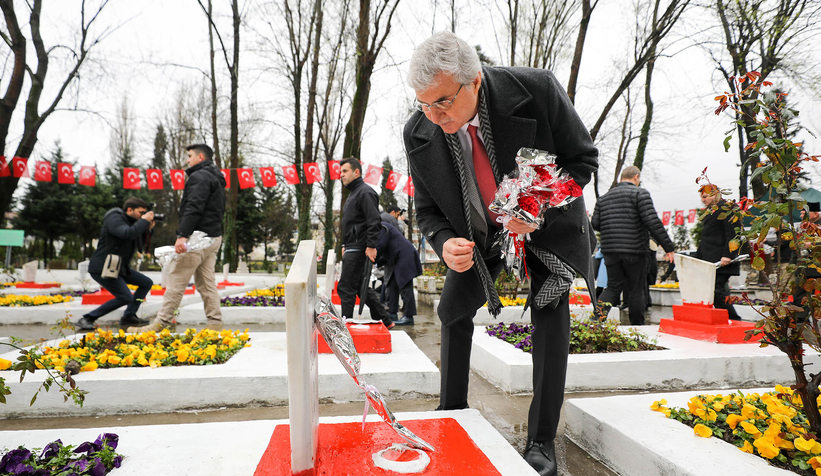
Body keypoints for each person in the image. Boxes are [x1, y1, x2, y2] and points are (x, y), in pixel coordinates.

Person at [403, 32, 598, 476]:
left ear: (474, 82)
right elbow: (428, 209)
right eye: (424, 104)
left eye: (444, 103)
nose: (435, 116)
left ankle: (542, 439)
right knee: (452, 311)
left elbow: (583, 160)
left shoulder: (536, 91)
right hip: (480, 231)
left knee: (550, 311)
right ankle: (451, 413)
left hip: (545, 225)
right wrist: (442, 242)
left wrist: (537, 206)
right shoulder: (419, 130)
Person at [128, 144, 226, 333]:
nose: (187, 160)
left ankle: (160, 324)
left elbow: (193, 207)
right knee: (206, 284)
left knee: (175, 279)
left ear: (200, 157)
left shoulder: (199, 177)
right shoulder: (216, 178)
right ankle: (215, 324)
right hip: (212, 237)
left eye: (190, 156)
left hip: (196, 239)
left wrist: (183, 236)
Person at [592, 166, 675, 325]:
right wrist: (668, 247)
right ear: (636, 177)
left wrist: (613, 227)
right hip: (635, 250)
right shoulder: (640, 194)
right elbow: (652, 221)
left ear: (622, 177)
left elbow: (595, 223)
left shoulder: (604, 198)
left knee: (612, 287)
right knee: (637, 289)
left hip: (610, 250)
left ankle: (595, 322)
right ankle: (638, 327)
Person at [76, 197, 155, 330]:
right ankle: (88, 318)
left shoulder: (132, 222)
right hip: (103, 266)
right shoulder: (114, 218)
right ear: (129, 210)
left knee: (146, 283)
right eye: (141, 213)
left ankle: (129, 315)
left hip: (118, 267)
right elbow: (126, 233)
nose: (143, 216)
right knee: (125, 297)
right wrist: (143, 222)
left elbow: (140, 245)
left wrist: (148, 229)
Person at [338, 158, 394, 329]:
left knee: (346, 286)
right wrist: (343, 245)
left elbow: (374, 221)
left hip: (360, 247)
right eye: (340, 172)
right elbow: (350, 223)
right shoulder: (354, 194)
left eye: (345, 171)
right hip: (352, 246)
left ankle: (344, 324)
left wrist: (371, 246)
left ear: (357, 172)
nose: (341, 175)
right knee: (359, 285)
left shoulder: (365, 192)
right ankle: (385, 320)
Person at [695, 185, 740, 320]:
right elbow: (706, 238)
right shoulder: (713, 211)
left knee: (717, 292)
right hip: (711, 259)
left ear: (715, 194)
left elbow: (733, 233)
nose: (703, 200)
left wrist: (728, 254)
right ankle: (727, 318)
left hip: (721, 259)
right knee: (714, 292)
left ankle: (733, 319)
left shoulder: (727, 208)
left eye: (704, 197)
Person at [376, 221, 422, 325]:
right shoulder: (380, 227)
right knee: (393, 284)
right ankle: (392, 313)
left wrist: (372, 258)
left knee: (405, 285)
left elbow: (380, 246)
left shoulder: (382, 227)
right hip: (396, 258)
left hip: (404, 255)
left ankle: (409, 316)